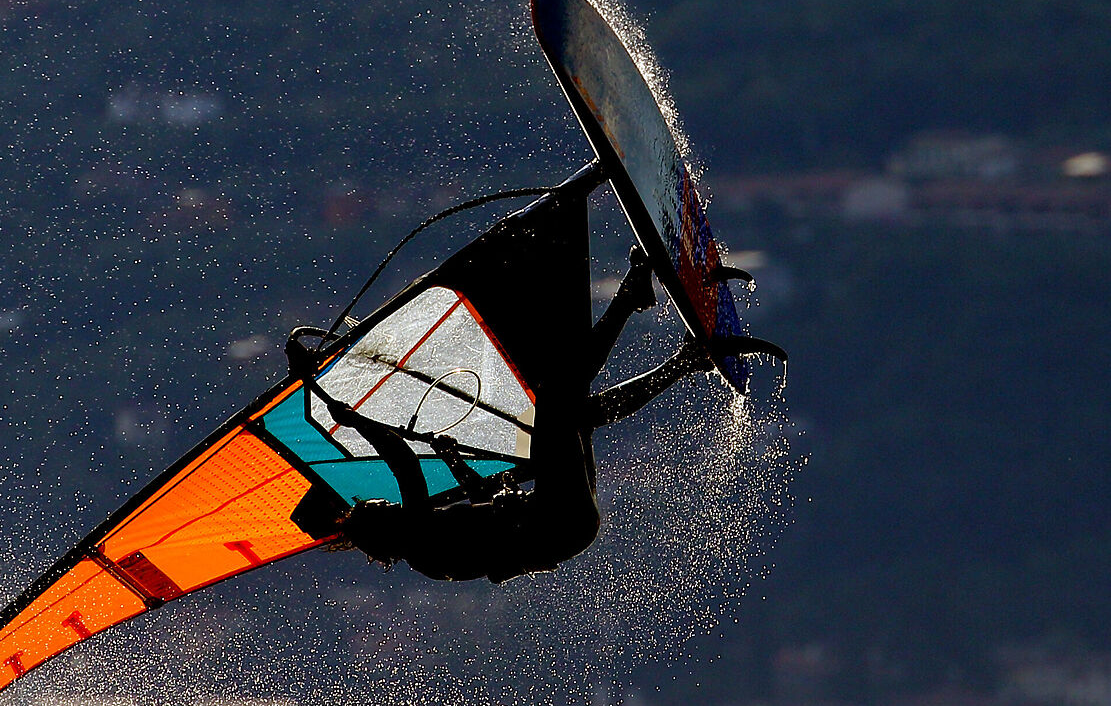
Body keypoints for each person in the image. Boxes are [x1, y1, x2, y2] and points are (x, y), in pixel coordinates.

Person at [321, 245, 780, 584]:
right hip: (558, 519)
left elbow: (484, 504)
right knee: (557, 399)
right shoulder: (418, 539)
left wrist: (454, 462)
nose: (387, 503)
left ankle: (683, 362)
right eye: (377, 507)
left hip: (568, 526)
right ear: (382, 526)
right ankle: (630, 299)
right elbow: (400, 459)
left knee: (577, 414)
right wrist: (349, 415)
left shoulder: (428, 548)